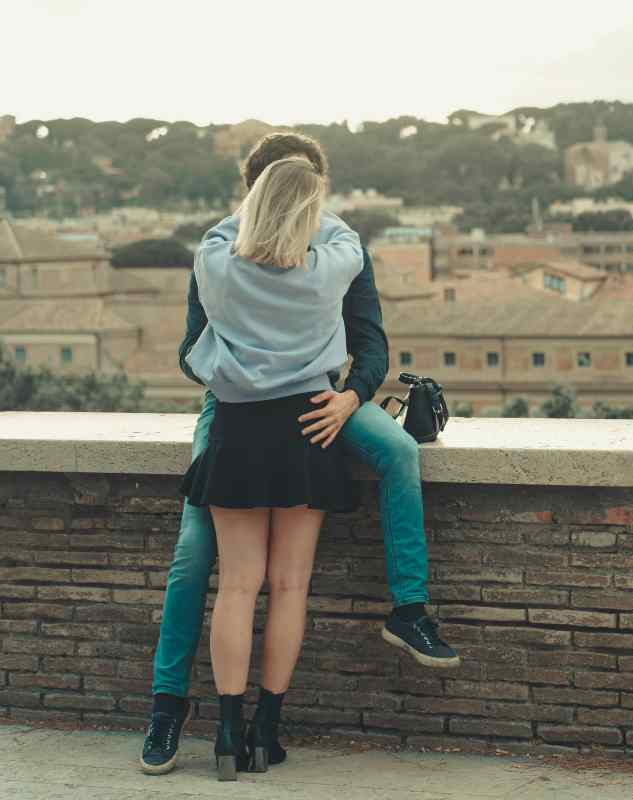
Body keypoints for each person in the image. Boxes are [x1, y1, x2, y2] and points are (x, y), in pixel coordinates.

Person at [139, 134, 459, 779]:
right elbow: (189, 349)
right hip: (260, 409)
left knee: (396, 450)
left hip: (319, 402)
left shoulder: (216, 252)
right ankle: (168, 708)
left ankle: (409, 609)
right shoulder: (334, 250)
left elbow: (371, 346)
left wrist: (350, 398)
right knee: (193, 557)